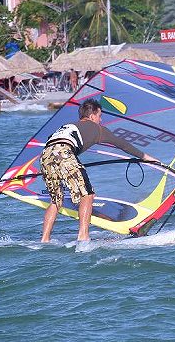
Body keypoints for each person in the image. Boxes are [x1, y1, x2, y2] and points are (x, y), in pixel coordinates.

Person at [40, 98, 158, 242]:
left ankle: (44, 239)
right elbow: (123, 145)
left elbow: (53, 146)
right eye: (99, 116)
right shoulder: (97, 129)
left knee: (56, 200)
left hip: (45, 155)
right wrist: (146, 157)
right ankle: (83, 237)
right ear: (92, 116)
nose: (100, 120)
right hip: (64, 152)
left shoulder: (67, 126)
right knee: (87, 194)